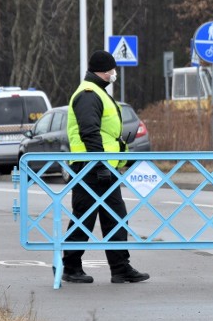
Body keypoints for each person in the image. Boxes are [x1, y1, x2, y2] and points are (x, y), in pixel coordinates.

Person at [61, 50, 150, 284]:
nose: (115, 74)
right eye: (112, 70)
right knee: (84, 217)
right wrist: (99, 163)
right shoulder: (89, 94)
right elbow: (89, 132)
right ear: (104, 70)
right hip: (89, 167)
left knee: (116, 217)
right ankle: (70, 267)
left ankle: (120, 268)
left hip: (103, 168)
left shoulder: (98, 92)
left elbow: (105, 132)